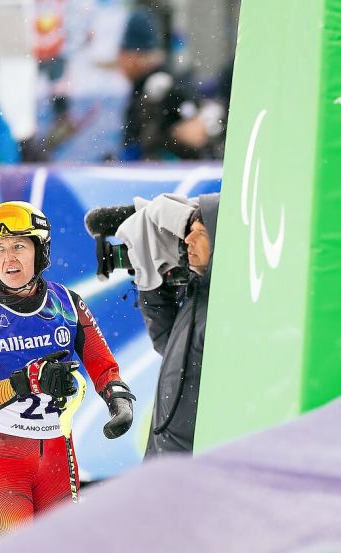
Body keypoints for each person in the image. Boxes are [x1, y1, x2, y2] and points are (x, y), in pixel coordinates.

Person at [0, 201, 135, 541]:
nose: (9, 259)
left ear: (40, 250)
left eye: (19, 245)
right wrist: (25, 382)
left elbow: (103, 364)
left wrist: (118, 399)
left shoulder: (67, 303)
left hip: (57, 457)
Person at [115, 193, 218, 456]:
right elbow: (166, 341)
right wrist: (151, 283)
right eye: (189, 232)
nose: (188, 240)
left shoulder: (223, 309)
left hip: (192, 463)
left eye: (200, 233)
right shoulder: (199, 295)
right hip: (165, 455)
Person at [117, 8, 218, 161]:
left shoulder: (160, 87)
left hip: (173, 175)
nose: (119, 61)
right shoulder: (141, 87)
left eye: (122, 53)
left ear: (136, 56)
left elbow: (197, 131)